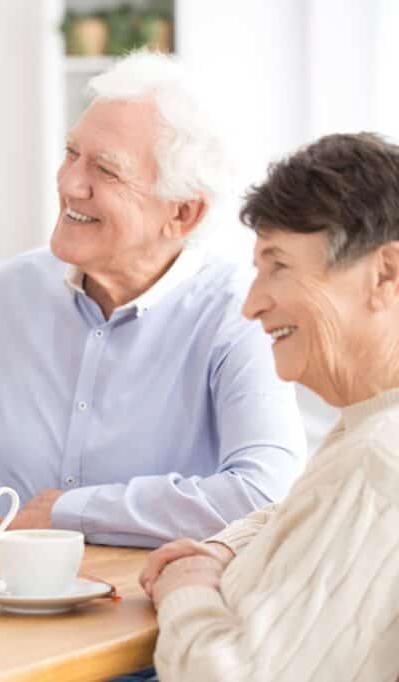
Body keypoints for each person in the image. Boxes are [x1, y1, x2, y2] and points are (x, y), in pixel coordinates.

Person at [0, 51, 306, 546]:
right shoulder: (13, 291)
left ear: (183, 214)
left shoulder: (239, 314)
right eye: (71, 153)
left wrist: (71, 512)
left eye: (105, 169)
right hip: (11, 604)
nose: (69, 183)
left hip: (159, 611)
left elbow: (264, 493)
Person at [140, 133, 399, 681]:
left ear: (385, 273)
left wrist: (184, 586)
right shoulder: (369, 427)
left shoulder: (378, 460)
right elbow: (302, 516)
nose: (253, 303)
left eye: (277, 265)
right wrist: (220, 550)